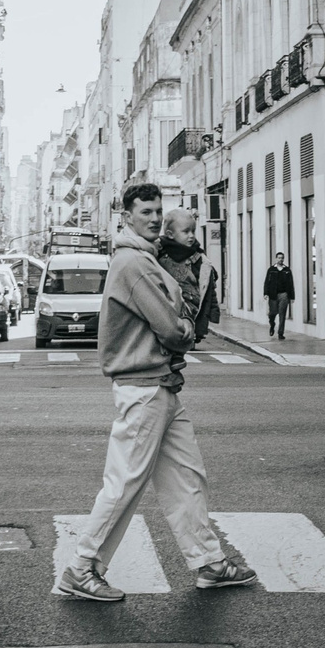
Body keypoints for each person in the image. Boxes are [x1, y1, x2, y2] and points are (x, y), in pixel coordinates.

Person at [54, 182, 257, 602]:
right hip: (144, 386)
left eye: (156, 211)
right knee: (124, 483)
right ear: (126, 216)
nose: (152, 217)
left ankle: (209, 562)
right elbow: (171, 326)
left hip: (160, 385)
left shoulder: (144, 259)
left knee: (186, 476)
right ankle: (81, 568)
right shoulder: (134, 264)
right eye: (144, 211)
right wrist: (187, 331)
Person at [157, 207, 220, 345]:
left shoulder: (199, 258)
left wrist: (213, 311)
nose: (191, 235)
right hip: (167, 307)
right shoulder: (158, 252)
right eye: (186, 232)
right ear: (170, 234)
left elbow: (208, 288)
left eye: (193, 231)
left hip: (192, 308)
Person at [263, 252, 295, 340]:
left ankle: (280, 333)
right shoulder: (271, 269)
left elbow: (291, 283)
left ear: (283, 259)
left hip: (284, 294)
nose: (280, 259)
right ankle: (272, 324)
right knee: (272, 313)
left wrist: (292, 296)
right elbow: (267, 282)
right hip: (273, 295)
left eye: (282, 258)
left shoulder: (287, 270)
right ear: (276, 259)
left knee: (282, 314)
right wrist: (265, 293)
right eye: (279, 258)